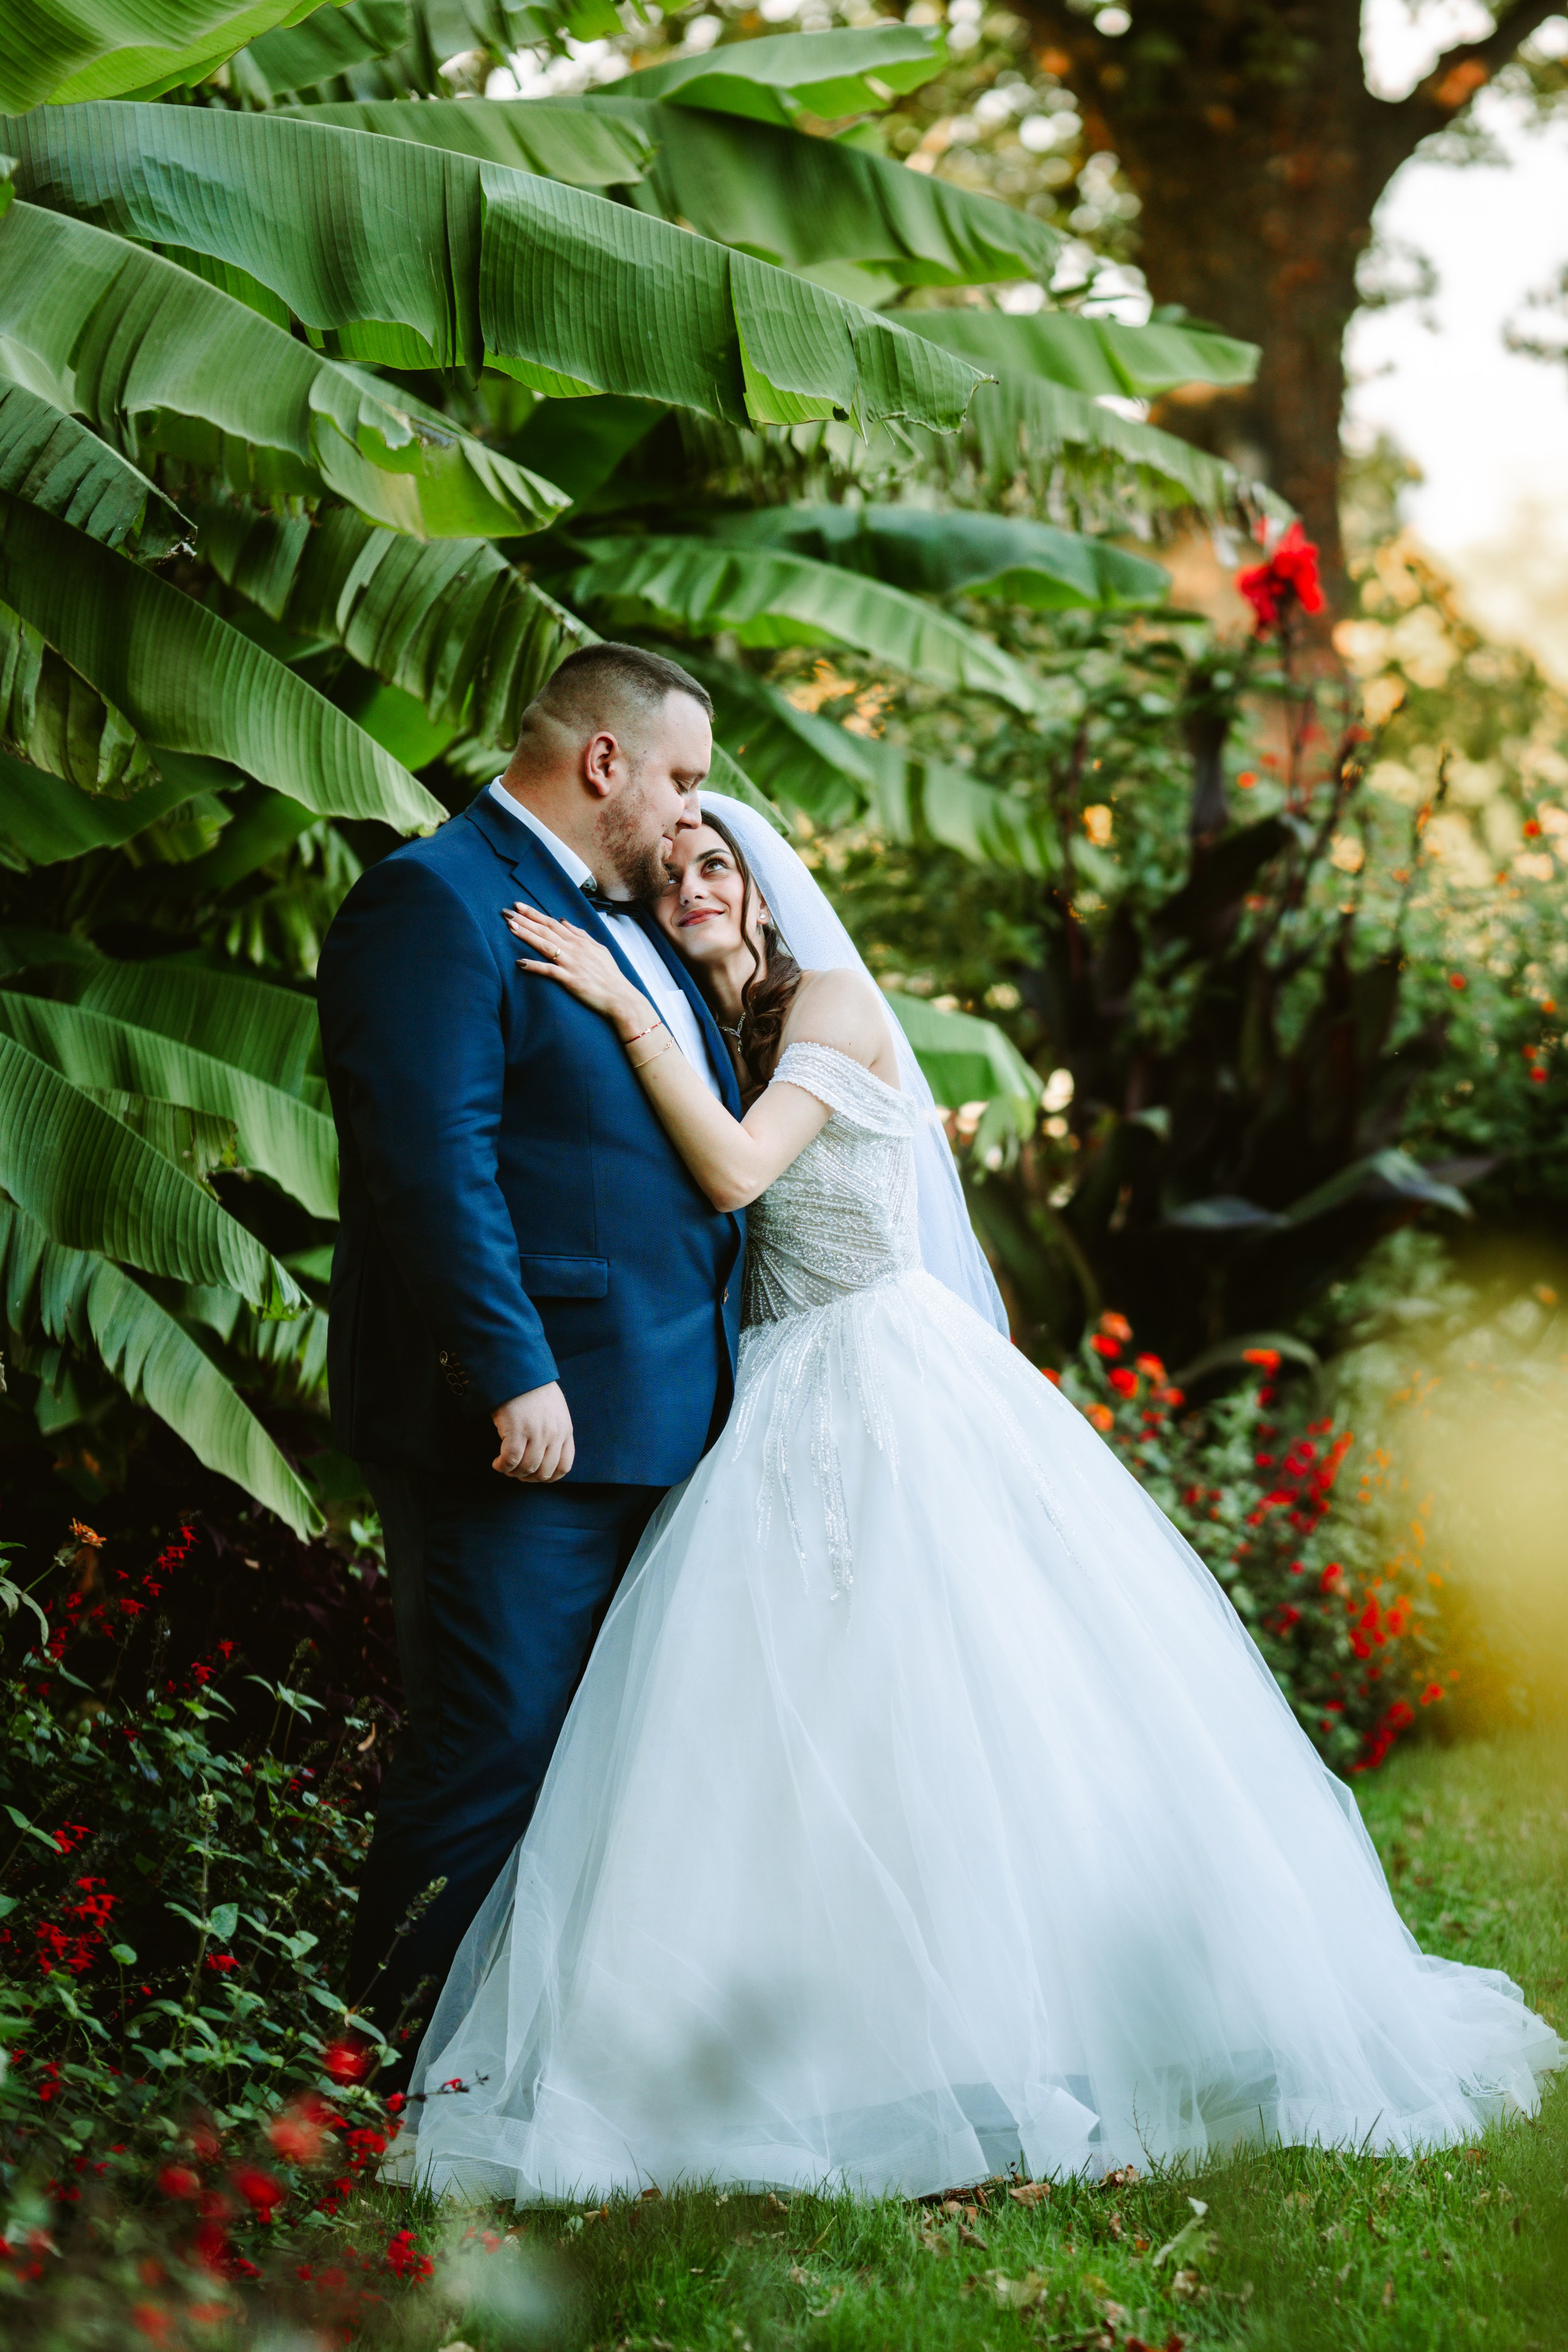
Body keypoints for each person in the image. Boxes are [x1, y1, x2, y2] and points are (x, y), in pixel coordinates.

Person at [390, 797, 1562, 2201]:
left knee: (967, 1696)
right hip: (770, 1402)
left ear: (761, 892)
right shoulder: (716, 1036)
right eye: (670, 874)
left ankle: (1060, 2020)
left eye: (717, 865)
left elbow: (739, 1169)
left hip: (886, 1382)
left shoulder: (827, 1004)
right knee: (796, 1721)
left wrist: (622, 1010)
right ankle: (832, 2040)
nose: (692, 884)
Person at [315, 645, 744, 2035]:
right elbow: (428, 1163)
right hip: (523, 1428)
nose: (691, 814)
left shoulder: (626, 920)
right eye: (680, 778)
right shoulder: (433, 900)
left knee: (601, 1772)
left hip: (659, 1412)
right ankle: (372, 2083)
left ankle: (518, 2071)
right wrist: (509, 1370)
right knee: (489, 1753)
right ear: (603, 761)